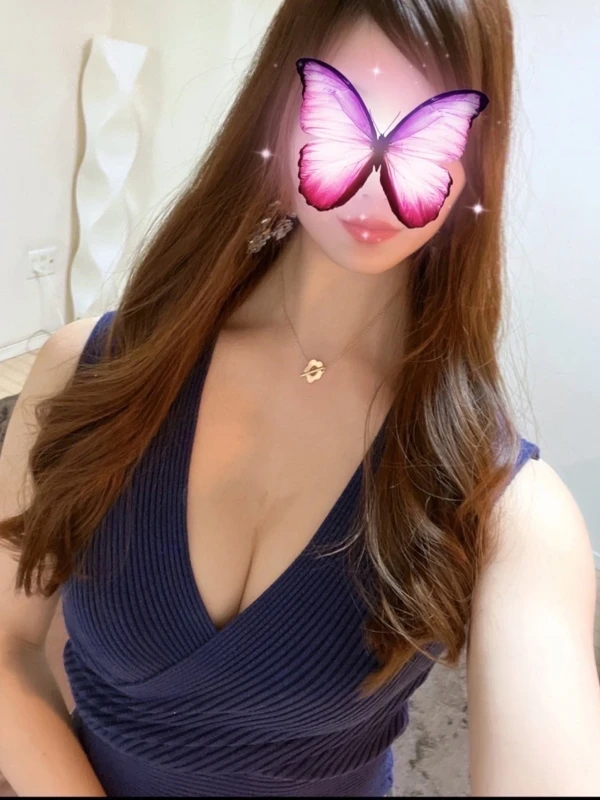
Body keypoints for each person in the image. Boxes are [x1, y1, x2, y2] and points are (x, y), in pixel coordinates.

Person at [1, 0, 599, 796]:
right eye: (352, 103)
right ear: (281, 111)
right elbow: (5, 646)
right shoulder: (90, 372)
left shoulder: (508, 506)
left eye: (429, 123)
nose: (377, 175)